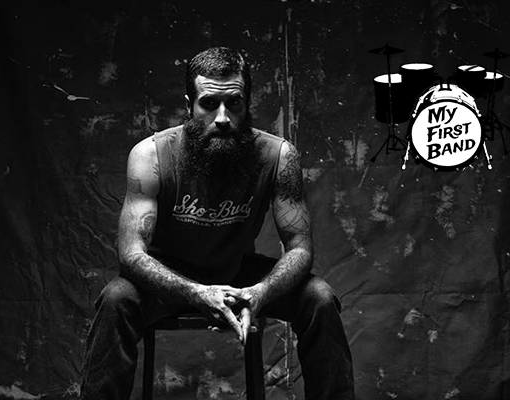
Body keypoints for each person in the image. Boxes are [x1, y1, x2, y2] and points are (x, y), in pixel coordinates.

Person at [81, 47, 354, 400]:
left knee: (319, 297)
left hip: (239, 273)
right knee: (116, 299)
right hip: (170, 276)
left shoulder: (278, 155)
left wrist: (260, 292)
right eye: (209, 104)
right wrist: (196, 292)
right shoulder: (150, 155)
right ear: (189, 105)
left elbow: (300, 248)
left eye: (234, 103)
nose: (222, 117)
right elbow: (131, 254)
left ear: (247, 103)